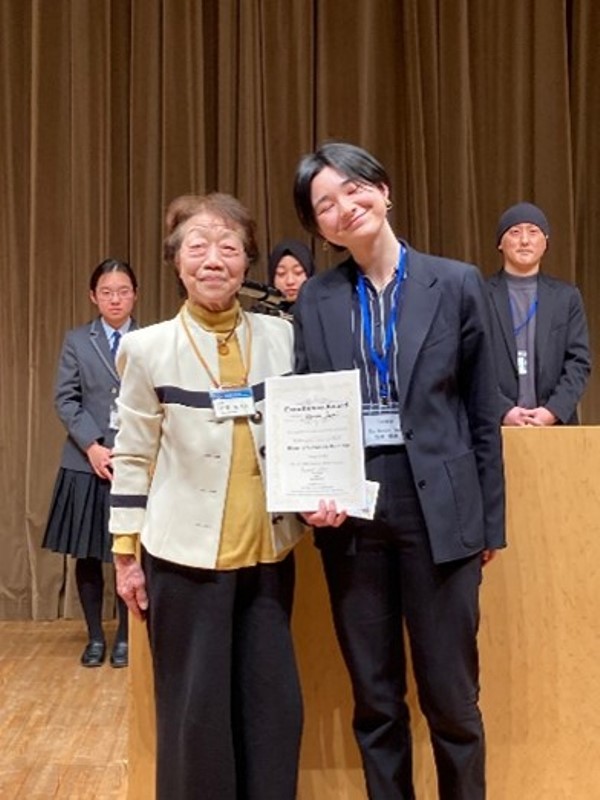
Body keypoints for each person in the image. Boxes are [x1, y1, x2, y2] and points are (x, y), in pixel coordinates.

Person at [292, 141, 505, 800]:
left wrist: (488, 523)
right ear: (320, 228)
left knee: (452, 697)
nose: (343, 207)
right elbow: (306, 405)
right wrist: (308, 494)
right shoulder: (316, 299)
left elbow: (482, 412)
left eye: (352, 188)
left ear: (383, 190)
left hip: (439, 507)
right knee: (376, 698)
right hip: (353, 512)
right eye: (324, 204)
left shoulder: (457, 282)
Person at [109, 193, 305, 800]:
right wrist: (124, 553)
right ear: (176, 261)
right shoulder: (147, 348)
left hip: (269, 555)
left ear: (247, 261)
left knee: (273, 712)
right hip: (182, 561)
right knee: (195, 717)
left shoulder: (282, 337)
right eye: (197, 246)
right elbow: (132, 454)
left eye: (228, 247)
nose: (213, 259)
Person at [42, 258, 139, 668]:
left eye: (122, 291)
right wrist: (93, 446)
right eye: (106, 292)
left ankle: (127, 638)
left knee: (130, 552)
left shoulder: (151, 340)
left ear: (135, 295)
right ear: (93, 296)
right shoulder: (77, 340)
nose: (115, 299)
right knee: (87, 554)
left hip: (136, 460)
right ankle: (96, 636)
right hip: (86, 462)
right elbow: (66, 398)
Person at [487, 202, 591, 425]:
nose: (524, 240)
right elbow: (469, 362)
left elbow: (578, 362)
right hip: (493, 427)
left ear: (546, 242)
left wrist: (552, 411)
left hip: (555, 426)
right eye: (515, 232)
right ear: (500, 243)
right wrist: (503, 410)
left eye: (533, 232)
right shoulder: (480, 295)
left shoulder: (566, 297)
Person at [267, 238, 315, 311]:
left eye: (298, 272)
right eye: (281, 273)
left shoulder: (322, 312)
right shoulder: (259, 315)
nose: (290, 281)